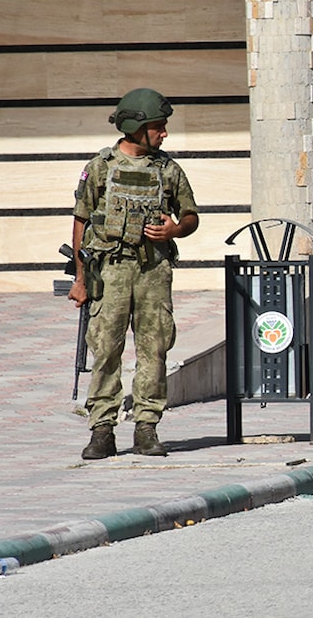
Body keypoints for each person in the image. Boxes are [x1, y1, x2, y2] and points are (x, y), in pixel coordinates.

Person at [68, 88, 199, 460]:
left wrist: (174, 229)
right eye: (158, 127)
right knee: (106, 348)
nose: (164, 134)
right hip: (109, 270)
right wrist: (80, 279)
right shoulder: (100, 168)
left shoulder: (167, 169)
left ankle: (146, 427)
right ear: (136, 128)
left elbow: (191, 216)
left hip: (153, 271)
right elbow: (80, 222)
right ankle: (102, 430)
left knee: (154, 348)